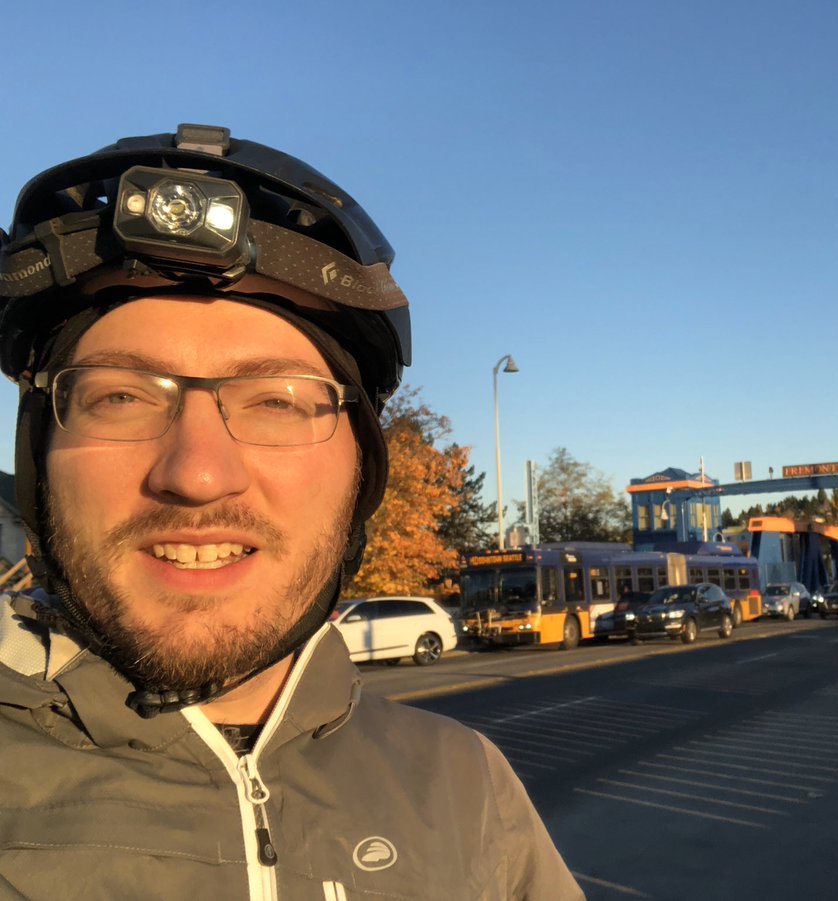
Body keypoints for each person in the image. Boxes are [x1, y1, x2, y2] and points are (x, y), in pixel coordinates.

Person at [0, 124, 584, 900]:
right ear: (38, 458)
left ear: (360, 474)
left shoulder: (465, 787)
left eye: (276, 401)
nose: (199, 473)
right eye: (119, 396)